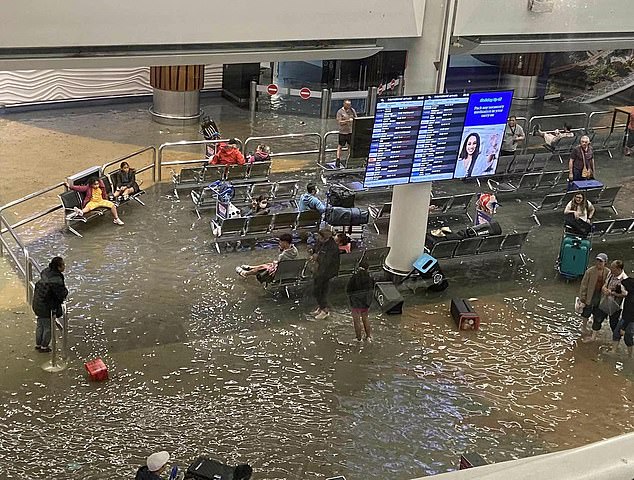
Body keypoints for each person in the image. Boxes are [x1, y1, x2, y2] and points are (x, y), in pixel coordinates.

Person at [32, 257, 68, 352]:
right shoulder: (56, 280)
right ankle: (44, 346)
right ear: (58, 267)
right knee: (48, 328)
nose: (64, 266)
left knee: (40, 325)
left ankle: (38, 344)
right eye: (63, 264)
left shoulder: (46, 272)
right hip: (46, 307)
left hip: (38, 303)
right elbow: (61, 293)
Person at [310, 229, 340, 320]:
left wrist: (317, 258)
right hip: (319, 270)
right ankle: (321, 307)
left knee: (321, 290)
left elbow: (327, 261)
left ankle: (325, 310)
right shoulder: (320, 242)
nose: (318, 239)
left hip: (326, 272)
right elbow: (316, 248)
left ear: (325, 238)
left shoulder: (332, 247)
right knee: (317, 289)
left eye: (320, 237)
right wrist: (313, 251)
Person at [578, 253, 609, 339]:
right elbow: (584, 285)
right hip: (590, 294)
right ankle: (584, 327)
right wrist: (582, 297)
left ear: (605, 262)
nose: (598, 263)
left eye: (601, 261)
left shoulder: (608, 272)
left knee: (598, 312)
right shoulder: (590, 271)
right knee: (586, 311)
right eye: (597, 261)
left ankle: (594, 330)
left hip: (601, 295)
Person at [346, 260, 374, 342]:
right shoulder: (369, 278)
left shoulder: (354, 277)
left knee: (357, 321)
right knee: (365, 319)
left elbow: (348, 289)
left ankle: (358, 338)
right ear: (367, 268)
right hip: (365, 302)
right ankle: (368, 336)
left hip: (355, 302)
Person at [612, 275, 634, 357]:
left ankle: (630, 356)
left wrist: (624, 328)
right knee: (616, 333)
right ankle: (613, 351)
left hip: (630, 320)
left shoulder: (632, 298)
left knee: (628, 337)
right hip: (625, 317)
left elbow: (631, 314)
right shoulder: (630, 294)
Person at [335, 99, 357, 168]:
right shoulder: (340, 112)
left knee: (350, 146)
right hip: (343, 132)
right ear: (344, 104)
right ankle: (338, 159)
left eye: (350, 105)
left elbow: (356, 118)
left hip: (350, 131)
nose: (349, 106)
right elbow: (339, 122)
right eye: (348, 105)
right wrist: (348, 121)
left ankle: (350, 159)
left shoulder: (352, 111)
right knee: (340, 146)